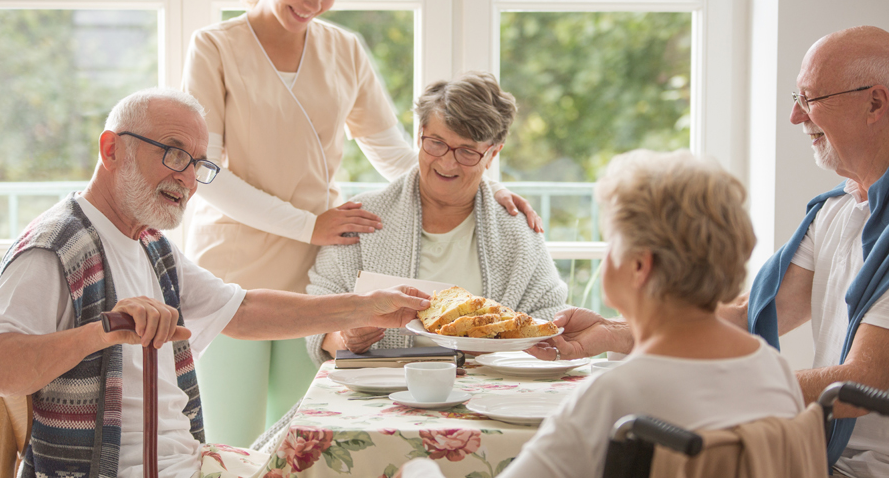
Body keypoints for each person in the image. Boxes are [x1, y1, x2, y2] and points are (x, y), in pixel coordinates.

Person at [0, 88, 430, 478]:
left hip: (190, 463)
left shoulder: (149, 244)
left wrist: (365, 307)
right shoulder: (56, 246)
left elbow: (243, 311)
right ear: (111, 150)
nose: (186, 177)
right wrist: (100, 332)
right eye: (174, 152)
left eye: (198, 164)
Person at [180, 0, 541, 441]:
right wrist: (308, 224)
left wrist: (484, 188)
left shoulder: (345, 49)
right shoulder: (214, 46)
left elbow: (392, 150)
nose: (315, 3)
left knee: (300, 436)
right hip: (235, 263)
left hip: (312, 270)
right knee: (231, 438)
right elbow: (203, 168)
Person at [534, 26, 889, 478]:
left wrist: (699, 386)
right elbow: (749, 313)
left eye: (810, 98)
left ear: (875, 103)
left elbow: (866, 380)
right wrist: (614, 330)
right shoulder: (835, 210)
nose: (796, 118)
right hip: (809, 455)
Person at [403, 149, 805, 478]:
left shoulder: (616, 399)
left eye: (610, 240)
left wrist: (423, 470)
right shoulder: (775, 371)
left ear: (639, 266)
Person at [304, 71, 568, 365]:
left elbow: (549, 317)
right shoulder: (361, 219)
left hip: (485, 392)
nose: (446, 162)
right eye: (436, 143)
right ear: (420, 134)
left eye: (467, 151)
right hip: (382, 390)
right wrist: (347, 338)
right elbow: (318, 316)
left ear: (492, 154)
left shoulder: (517, 230)